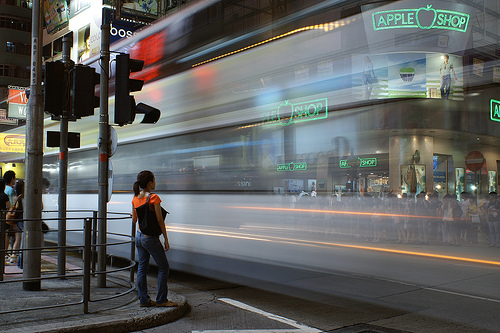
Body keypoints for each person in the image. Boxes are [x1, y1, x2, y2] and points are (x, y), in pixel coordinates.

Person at [131, 170, 177, 307]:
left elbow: (134, 220)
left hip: (139, 237)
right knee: (164, 267)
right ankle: (162, 299)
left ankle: (143, 300)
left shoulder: (135, 198)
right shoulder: (154, 198)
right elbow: (159, 220)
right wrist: (166, 239)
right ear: (150, 183)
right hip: (150, 238)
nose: (155, 183)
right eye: (154, 180)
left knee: (142, 269)